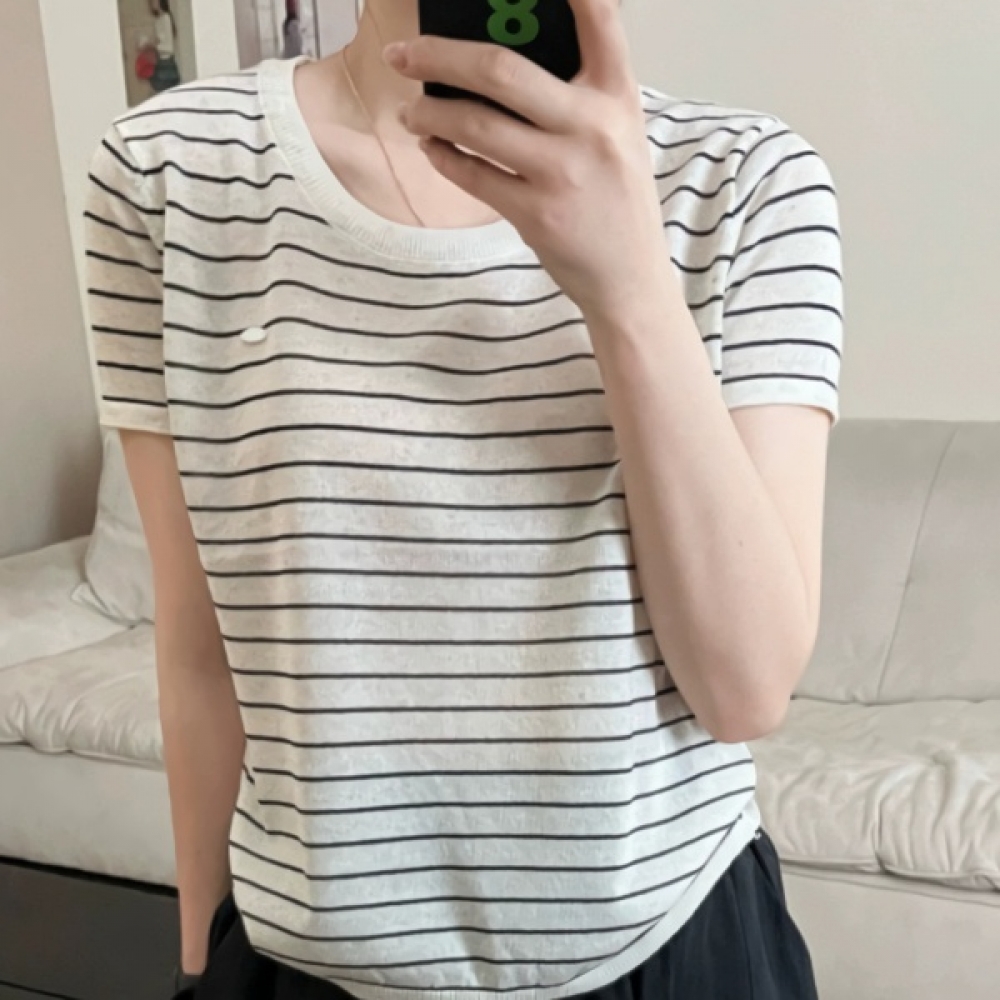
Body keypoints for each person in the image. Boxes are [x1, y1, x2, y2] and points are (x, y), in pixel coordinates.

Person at [83, 1, 843, 998]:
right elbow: (200, 649)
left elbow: (745, 690)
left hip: (668, 945)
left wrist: (628, 284)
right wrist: (196, 963)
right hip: (303, 963)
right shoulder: (167, 171)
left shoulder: (743, 178)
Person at [148, 0, 181, 92]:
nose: (152, 3)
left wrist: (154, 47)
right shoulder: (157, 21)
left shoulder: (166, 18)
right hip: (160, 62)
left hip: (167, 64)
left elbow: (169, 48)